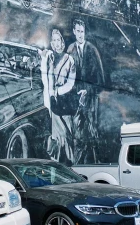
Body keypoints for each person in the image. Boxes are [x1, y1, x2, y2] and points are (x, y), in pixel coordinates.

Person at [67, 18, 105, 163]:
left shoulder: (92, 50)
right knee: (77, 134)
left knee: (93, 132)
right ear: (74, 32)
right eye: (78, 31)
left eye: (83, 31)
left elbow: (100, 80)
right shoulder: (70, 50)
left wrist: (87, 91)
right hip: (76, 100)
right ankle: (77, 168)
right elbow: (67, 78)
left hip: (91, 100)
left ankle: (96, 163)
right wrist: (76, 93)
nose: (81, 34)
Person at [40, 28, 77, 163]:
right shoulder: (49, 58)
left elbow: (71, 84)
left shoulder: (70, 60)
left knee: (67, 137)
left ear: (62, 41)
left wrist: (56, 92)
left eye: (58, 40)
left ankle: (71, 166)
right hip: (52, 105)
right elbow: (45, 80)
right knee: (56, 140)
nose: (56, 43)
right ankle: (57, 169)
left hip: (65, 105)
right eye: (54, 40)